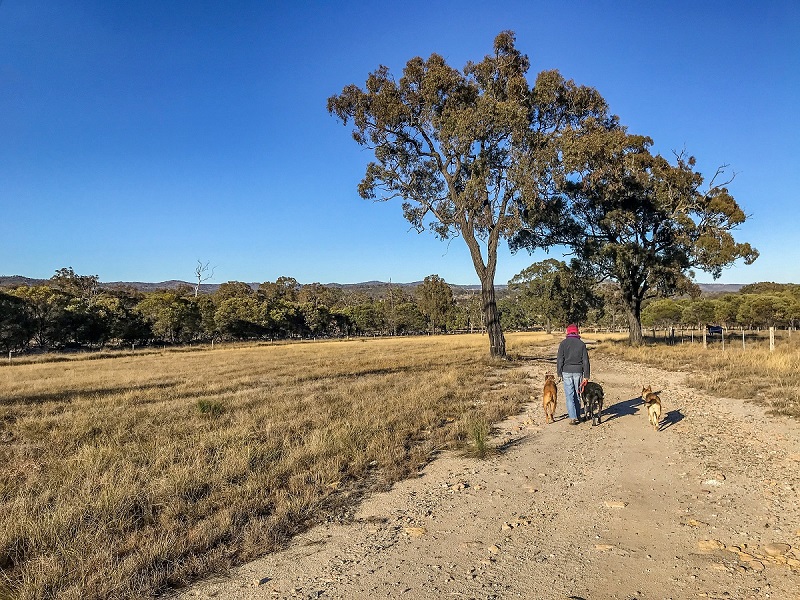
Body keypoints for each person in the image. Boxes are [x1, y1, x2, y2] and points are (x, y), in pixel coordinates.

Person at [556, 323, 590, 425]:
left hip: (566, 371)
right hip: (578, 371)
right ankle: (578, 415)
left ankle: (573, 417)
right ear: (576, 331)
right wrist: (586, 376)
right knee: (577, 394)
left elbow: (559, 359)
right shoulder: (581, 344)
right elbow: (585, 361)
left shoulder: (563, 343)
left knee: (569, 395)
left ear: (568, 332)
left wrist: (559, 372)